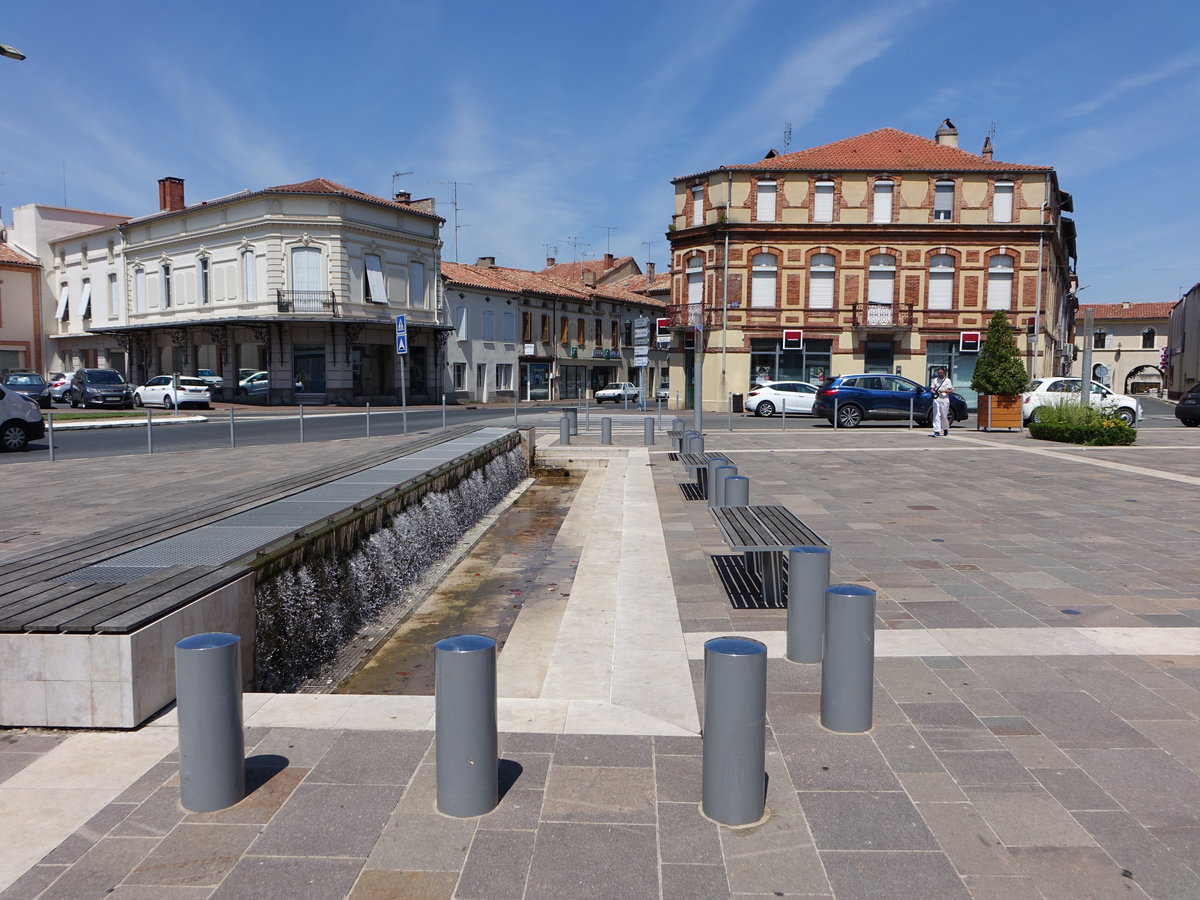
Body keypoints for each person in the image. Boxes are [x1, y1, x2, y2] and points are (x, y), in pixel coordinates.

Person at [930, 366, 953, 438]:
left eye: (941, 373)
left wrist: (943, 391)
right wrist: (933, 391)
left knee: (944, 415)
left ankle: (945, 429)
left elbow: (950, 391)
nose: (939, 374)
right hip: (937, 399)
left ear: (944, 373)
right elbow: (932, 388)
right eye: (938, 373)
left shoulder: (947, 381)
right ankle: (936, 431)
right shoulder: (935, 380)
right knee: (936, 414)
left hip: (944, 399)